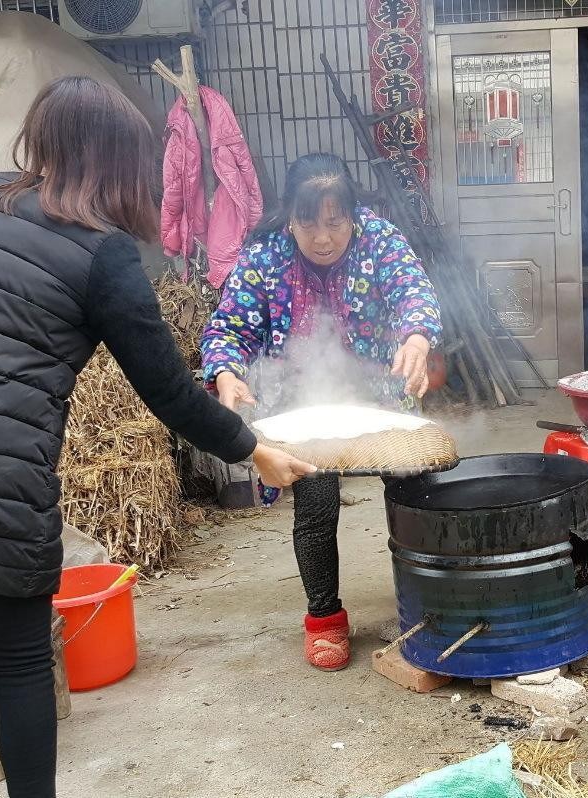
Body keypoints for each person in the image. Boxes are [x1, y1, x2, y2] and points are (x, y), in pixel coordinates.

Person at [0, 76, 312, 798]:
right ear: (122, 160)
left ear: (42, 136)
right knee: (19, 665)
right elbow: (168, 390)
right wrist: (253, 449)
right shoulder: (103, 254)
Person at [201, 153, 442, 672]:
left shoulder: (380, 239)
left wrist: (417, 337)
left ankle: (429, 604)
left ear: (354, 216)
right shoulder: (265, 255)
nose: (323, 237)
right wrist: (226, 372)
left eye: (335, 223)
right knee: (315, 506)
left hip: (381, 396)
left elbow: (414, 294)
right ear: (290, 218)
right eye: (308, 223)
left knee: (415, 494)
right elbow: (227, 329)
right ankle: (325, 616)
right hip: (304, 405)